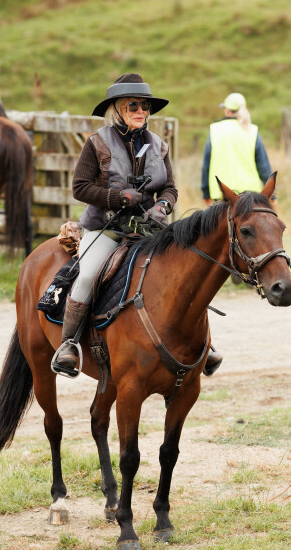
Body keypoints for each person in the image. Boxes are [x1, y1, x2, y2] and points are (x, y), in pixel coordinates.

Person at [53, 73, 223, 377]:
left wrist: (163, 206)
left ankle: (204, 344)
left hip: (149, 229)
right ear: (117, 109)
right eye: (133, 105)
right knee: (88, 274)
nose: (141, 111)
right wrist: (118, 197)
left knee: (186, 271)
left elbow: (170, 188)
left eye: (145, 106)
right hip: (106, 227)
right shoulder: (97, 143)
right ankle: (69, 344)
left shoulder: (159, 146)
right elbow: (80, 187)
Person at [200, 92, 275, 206]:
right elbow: (264, 166)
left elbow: (206, 165)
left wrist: (205, 192)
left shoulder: (214, 130)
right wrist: (272, 195)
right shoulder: (251, 130)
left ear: (227, 110)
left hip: (222, 193)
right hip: (250, 195)